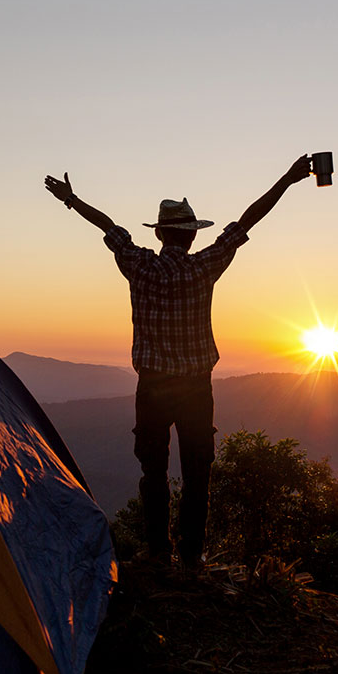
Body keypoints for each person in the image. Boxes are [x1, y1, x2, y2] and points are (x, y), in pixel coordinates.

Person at [43, 156, 313, 571]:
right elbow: (247, 221)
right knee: (197, 475)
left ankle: (157, 553)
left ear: (161, 233)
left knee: (153, 473)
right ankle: (191, 557)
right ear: (188, 237)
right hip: (194, 388)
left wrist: (71, 199)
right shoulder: (203, 267)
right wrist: (289, 179)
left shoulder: (138, 265)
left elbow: (107, 226)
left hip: (151, 387)